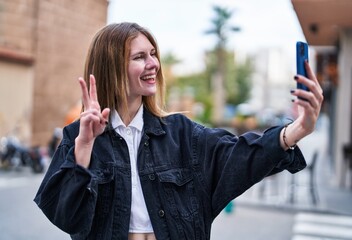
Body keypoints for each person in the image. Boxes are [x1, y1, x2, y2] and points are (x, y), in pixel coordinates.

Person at [34, 22, 323, 240]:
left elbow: (242, 154)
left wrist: (297, 130)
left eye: (153, 54)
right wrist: (84, 146)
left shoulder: (183, 135)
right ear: (112, 65)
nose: (154, 65)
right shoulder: (79, 136)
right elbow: (66, 217)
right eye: (139, 57)